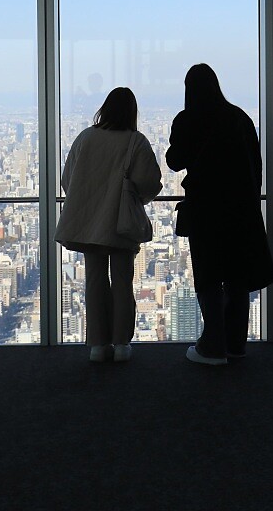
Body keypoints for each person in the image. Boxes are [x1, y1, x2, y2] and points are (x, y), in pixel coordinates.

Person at [166, 64, 270, 366]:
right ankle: (236, 344)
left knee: (209, 277)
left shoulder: (188, 119)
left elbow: (175, 161)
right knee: (237, 278)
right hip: (241, 210)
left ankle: (212, 347)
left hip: (205, 209)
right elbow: (256, 165)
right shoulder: (240, 118)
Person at [56, 87, 162, 363]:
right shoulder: (135, 142)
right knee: (122, 281)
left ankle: (97, 346)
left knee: (95, 281)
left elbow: (68, 180)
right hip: (121, 224)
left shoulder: (85, 138)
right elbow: (149, 183)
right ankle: (122, 344)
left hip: (90, 223)